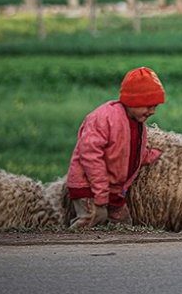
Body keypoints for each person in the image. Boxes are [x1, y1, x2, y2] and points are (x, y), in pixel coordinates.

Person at [66, 66, 166, 229]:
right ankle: (73, 243)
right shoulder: (104, 119)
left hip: (113, 189)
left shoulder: (138, 123)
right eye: (148, 106)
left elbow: (131, 151)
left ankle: (117, 250)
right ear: (133, 101)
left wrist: (151, 155)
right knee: (95, 216)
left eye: (155, 106)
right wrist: (100, 192)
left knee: (123, 220)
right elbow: (90, 156)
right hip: (89, 186)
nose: (152, 111)